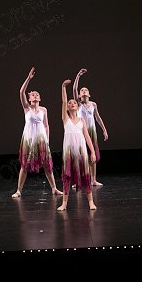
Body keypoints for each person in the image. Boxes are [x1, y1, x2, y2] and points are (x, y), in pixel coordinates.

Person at [11, 67, 63, 198]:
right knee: (24, 164)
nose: (35, 95)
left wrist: (47, 141)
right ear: (29, 99)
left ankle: (54, 188)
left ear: (40, 98)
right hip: (29, 138)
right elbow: (21, 92)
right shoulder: (26, 108)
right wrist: (28, 78)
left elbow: (46, 126)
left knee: (46, 164)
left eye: (37, 94)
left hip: (41, 139)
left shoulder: (44, 110)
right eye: (33, 94)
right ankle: (19, 190)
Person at [57, 79, 98, 211]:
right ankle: (64, 203)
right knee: (67, 176)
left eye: (74, 102)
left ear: (77, 106)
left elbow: (87, 137)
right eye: (70, 103)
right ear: (68, 108)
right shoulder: (65, 119)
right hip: (69, 152)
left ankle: (91, 202)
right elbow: (63, 102)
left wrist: (92, 152)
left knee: (86, 175)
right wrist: (63, 87)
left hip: (81, 152)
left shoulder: (81, 121)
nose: (72, 104)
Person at [72, 68, 109, 186]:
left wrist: (104, 130)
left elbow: (97, 117)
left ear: (89, 94)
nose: (83, 91)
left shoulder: (93, 104)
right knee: (80, 156)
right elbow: (74, 89)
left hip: (92, 132)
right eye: (82, 90)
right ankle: (78, 180)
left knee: (93, 155)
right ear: (79, 95)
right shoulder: (78, 104)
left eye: (86, 90)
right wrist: (78, 75)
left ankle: (93, 180)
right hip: (81, 132)